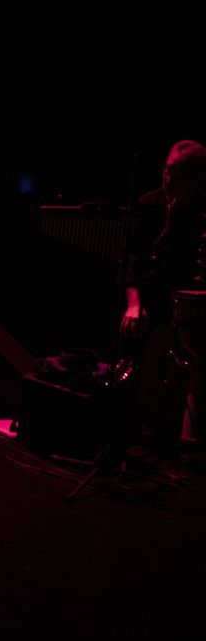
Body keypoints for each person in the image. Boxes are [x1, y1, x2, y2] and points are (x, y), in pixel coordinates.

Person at [121, 140, 206, 443]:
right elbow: (134, 261)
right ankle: (134, 428)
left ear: (196, 179)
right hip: (152, 302)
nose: (168, 179)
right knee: (134, 342)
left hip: (190, 307)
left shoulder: (201, 213)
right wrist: (134, 304)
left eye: (178, 174)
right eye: (167, 171)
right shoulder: (148, 205)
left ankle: (182, 436)